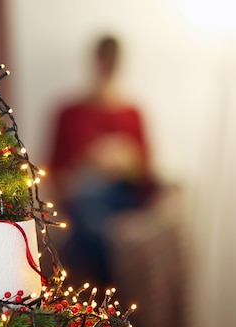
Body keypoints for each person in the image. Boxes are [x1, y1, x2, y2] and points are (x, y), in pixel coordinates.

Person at [48, 35, 158, 289]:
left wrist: (126, 162)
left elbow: (147, 176)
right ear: (94, 62)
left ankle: (89, 291)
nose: (106, 69)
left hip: (120, 195)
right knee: (88, 198)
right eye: (103, 61)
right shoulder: (69, 112)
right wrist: (88, 161)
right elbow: (55, 169)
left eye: (112, 63)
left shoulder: (132, 113)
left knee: (88, 207)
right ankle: (111, 291)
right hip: (80, 192)